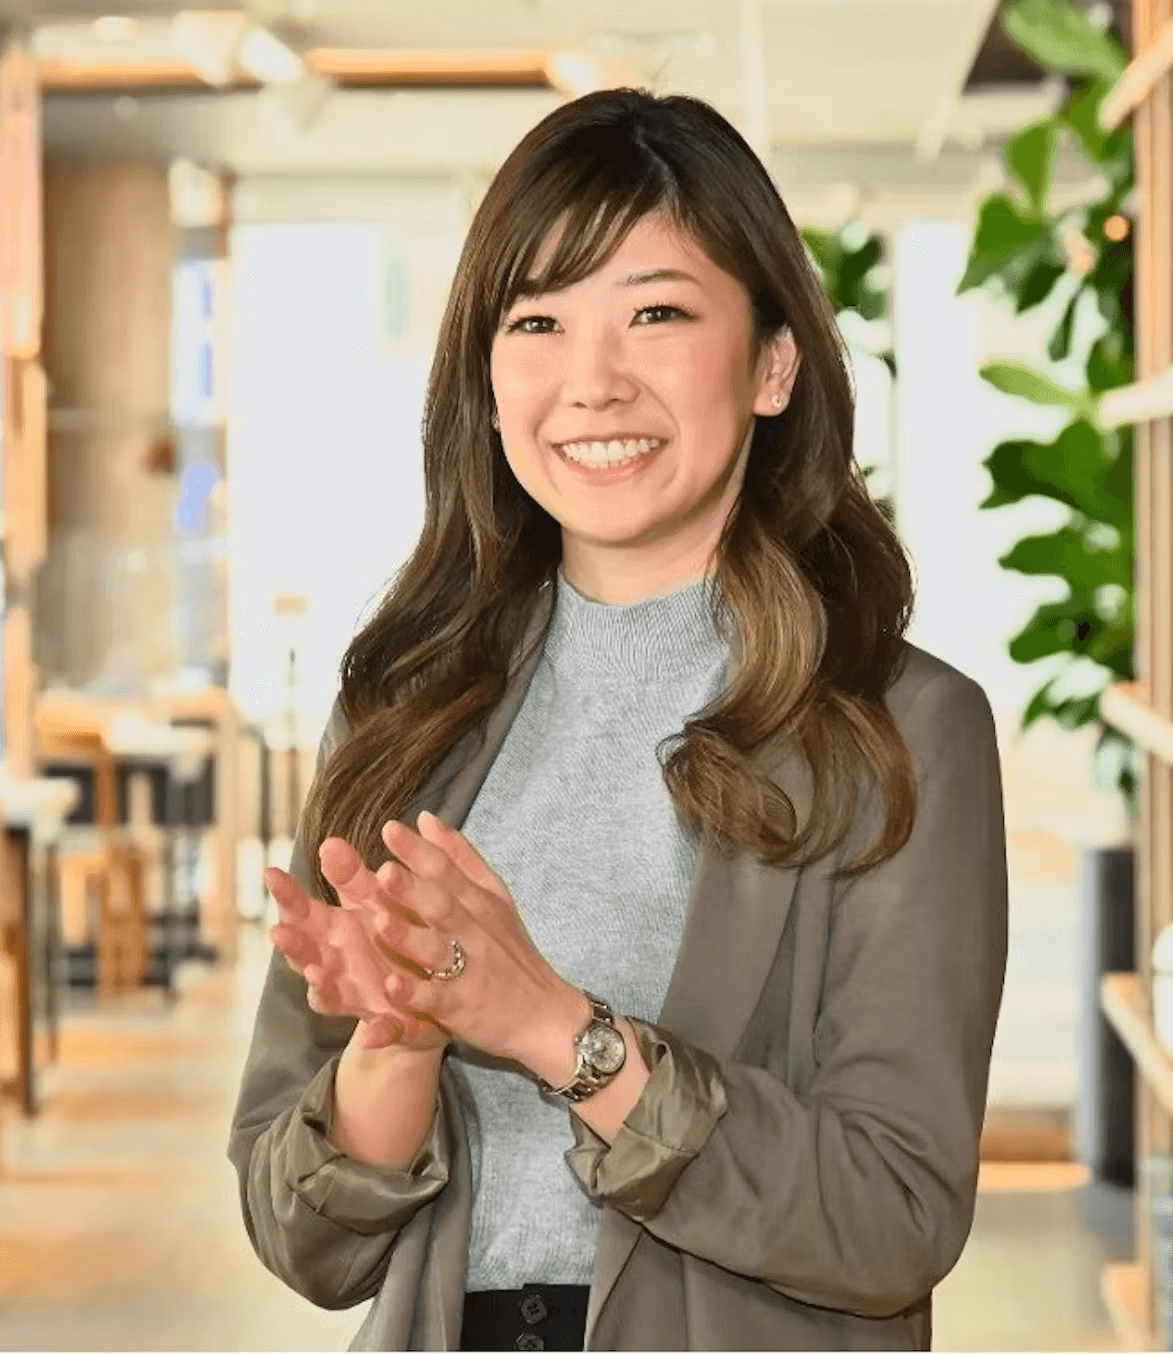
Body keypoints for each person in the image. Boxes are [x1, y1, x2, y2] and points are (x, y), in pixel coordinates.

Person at [228, 87, 1009, 1352]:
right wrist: (398, 1046)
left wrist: (554, 1030)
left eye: (655, 312)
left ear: (771, 364)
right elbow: (303, 1241)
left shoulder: (903, 730)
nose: (590, 383)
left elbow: (893, 1214)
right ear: (486, 384)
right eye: (536, 321)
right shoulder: (402, 711)